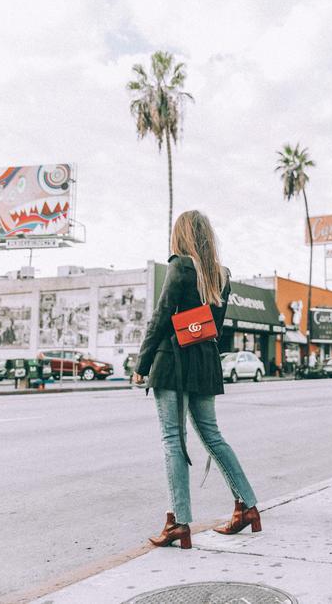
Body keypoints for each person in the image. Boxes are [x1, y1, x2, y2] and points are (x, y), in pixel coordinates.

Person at [133, 210, 260, 550]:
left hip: (172, 361)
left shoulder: (178, 267)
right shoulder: (221, 275)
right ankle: (247, 505)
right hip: (204, 362)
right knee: (213, 436)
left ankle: (179, 523)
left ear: (181, 236)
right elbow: (212, 324)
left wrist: (142, 364)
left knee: (173, 439)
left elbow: (161, 318)